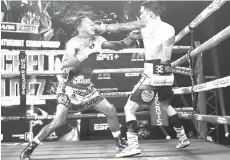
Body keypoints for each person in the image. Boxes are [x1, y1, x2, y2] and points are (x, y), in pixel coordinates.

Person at [19, 16, 141, 160]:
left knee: (111, 110)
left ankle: (120, 144)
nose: (93, 25)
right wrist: (86, 53)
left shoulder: (98, 40)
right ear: (80, 28)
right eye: (89, 23)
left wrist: (130, 38)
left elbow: (118, 45)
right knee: (58, 121)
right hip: (69, 88)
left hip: (87, 87)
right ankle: (28, 149)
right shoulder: (73, 42)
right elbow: (65, 64)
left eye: (92, 23)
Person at [95, 1, 191, 157]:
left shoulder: (147, 26)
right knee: (165, 104)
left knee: (129, 108)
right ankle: (183, 137)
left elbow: (123, 26)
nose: (140, 17)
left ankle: (133, 146)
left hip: (153, 73)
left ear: (151, 14)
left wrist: (103, 28)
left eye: (142, 14)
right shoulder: (169, 27)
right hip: (166, 71)